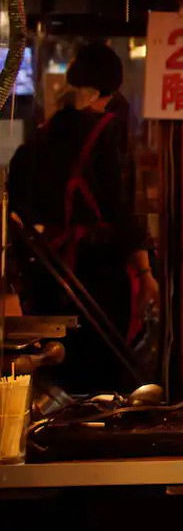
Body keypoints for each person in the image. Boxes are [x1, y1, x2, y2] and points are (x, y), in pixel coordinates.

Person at [8, 42, 157, 394]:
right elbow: (124, 210)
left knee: (60, 377)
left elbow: (19, 210)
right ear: (111, 88)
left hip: (49, 278)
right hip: (100, 276)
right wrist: (145, 272)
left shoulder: (39, 138)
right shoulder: (108, 132)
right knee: (105, 381)